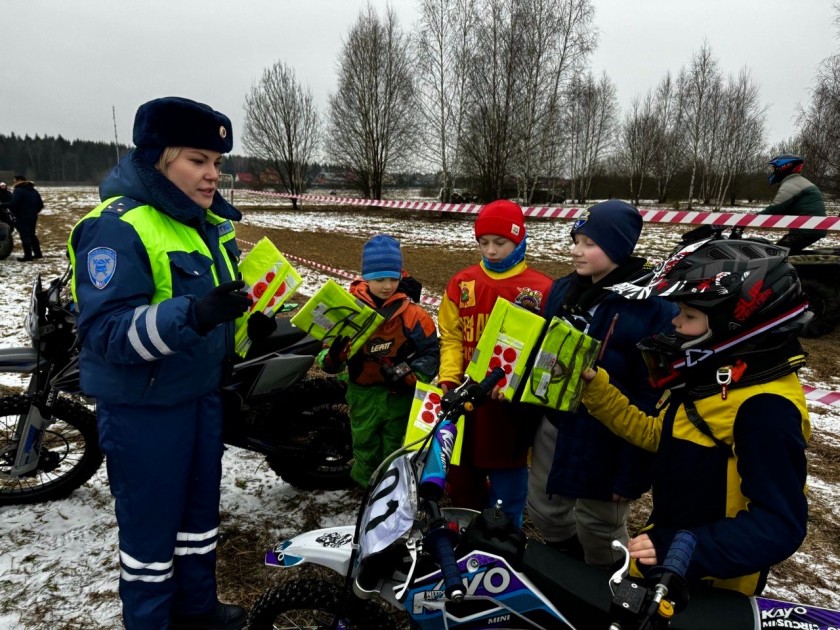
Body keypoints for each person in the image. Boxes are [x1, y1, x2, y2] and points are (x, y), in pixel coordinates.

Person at [68, 97, 275, 629]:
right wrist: (196, 314)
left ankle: (196, 609)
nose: (213, 175)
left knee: (197, 522)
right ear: (159, 158)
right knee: (151, 535)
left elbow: (213, 312)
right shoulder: (117, 228)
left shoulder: (200, 223)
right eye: (198, 160)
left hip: (198, 397)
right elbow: (105, 334)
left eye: (218, 163)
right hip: (144, 410)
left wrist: (244, 326)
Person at [578, 231, 811, 596]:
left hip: (710, 581)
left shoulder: (765, 410)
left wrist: (683, 549)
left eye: (687, 315)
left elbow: (779, 524)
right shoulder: (715, 382)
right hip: (672, 556)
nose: (674, 324)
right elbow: (660, 435)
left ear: (736, 326)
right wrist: (594, 386)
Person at [526, 199, 677, 568]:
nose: (577, 251)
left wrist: (629, 477)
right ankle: (567, 566)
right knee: (545, 510)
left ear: (619, 247)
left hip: (609, 436)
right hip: (557, 423)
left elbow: (649, 397)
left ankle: (605, 589)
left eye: (589, 244)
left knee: (599, 528)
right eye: (576, 240)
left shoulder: (652, 309)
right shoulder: (563, 291)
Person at [437, 199, 553, 527]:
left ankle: (505, 539)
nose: (490, 251)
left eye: (500, 243)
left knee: (507, 484)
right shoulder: (462, 283)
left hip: (507, 409)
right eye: (483, 242)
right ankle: (464, 533)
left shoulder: (542, 289)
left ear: (519, 240)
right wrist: (448, 377)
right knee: (461, 477)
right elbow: (451, 336)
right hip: (463, 400)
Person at [318, 234, 440, 486]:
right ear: (365, 277)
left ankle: (395, 492)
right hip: (362, 395)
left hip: (399, 398)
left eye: (393, 278)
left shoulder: (415, 316)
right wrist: (334, 358)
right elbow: (326, 359)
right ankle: (368, 491)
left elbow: (431, 354)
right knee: (364, 445)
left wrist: (409, 373)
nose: (387, 286)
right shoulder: (348, 311)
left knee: (398, 447)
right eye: (379, 279)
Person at [760, 153, 827, 254]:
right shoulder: (798, 181)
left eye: (774, 168)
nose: (772, 171)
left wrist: (750, 220)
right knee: (789, 253)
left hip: (806, 230)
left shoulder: (791, 184)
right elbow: (785, 209)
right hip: (811, 227)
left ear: (783, 167)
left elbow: (777, 207)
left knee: (777, 254)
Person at [0, 174, 43, 261]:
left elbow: (13, 203)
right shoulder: (33, 190)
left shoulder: (18, 190)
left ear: (19, 180)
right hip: (33, 216)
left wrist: (2, 205)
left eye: (14, 181)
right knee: (32, 235)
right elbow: (40, 205)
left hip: (23, 216)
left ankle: (28, 256)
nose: (13, 182)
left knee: (25, 236)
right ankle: (38, 254)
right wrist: (33, 212)